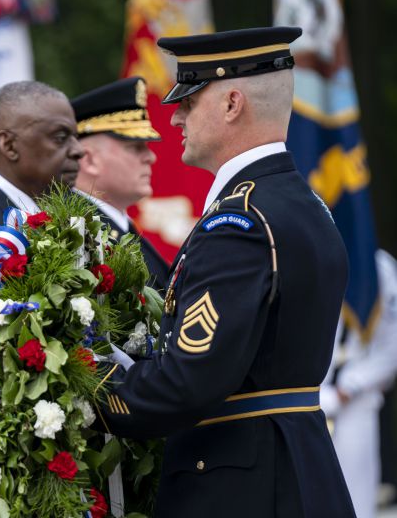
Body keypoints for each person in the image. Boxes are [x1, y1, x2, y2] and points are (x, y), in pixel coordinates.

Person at [94, 27, 355, 517]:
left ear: (233, 103)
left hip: (239, 485)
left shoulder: (239, 222)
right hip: (295, 465)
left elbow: (185, 384)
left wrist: (85, 376)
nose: (175, 118)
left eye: (189, 103)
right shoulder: (304, 205)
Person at [71, 77, 170, 290]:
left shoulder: (116, 228)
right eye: (136, 147)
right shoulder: (76, 239)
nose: (150, 157)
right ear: (89, 160)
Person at [321, 249, 397, 518]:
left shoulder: (379, 266)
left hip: (356, 399)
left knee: (356, 500)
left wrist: (351, 386)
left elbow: (393, 346)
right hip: (307, 396)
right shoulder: (305, 250)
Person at [0, 80, 84, 244]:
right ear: (9, 146)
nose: (79, 150)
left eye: (75, 138)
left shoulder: (63, 221)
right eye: (60, 138)